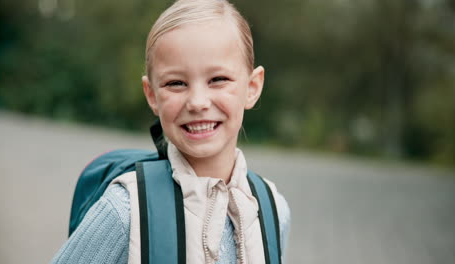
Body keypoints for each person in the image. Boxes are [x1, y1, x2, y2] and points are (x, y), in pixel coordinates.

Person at [51, 0, 290, 263]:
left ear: (253, 87)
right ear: (152, 95)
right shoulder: (127, 210)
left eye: (218, 80)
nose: (198, 102)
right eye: (176, 83)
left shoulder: (272, 209)